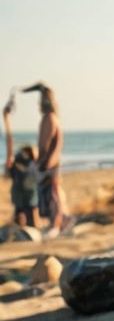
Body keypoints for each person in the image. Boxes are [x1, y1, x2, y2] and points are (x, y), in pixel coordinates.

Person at [19, 83, 64, 232]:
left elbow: (44, 145)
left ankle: (55, 224)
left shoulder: (49, 119)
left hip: (47, 165)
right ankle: (55, 224)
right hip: (51, 164)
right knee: (53, 195)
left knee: (51, 196)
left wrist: (40, 163)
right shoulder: (53, 118)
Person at [3, 92, 39, 229]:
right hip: (22, 196)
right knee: (22, 217)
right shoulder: (19, 163)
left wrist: (6, 118)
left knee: (31, 217)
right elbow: (10, 144)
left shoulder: (30, 162)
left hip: (28, 196)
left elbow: (10, 144)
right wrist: (6, 118)